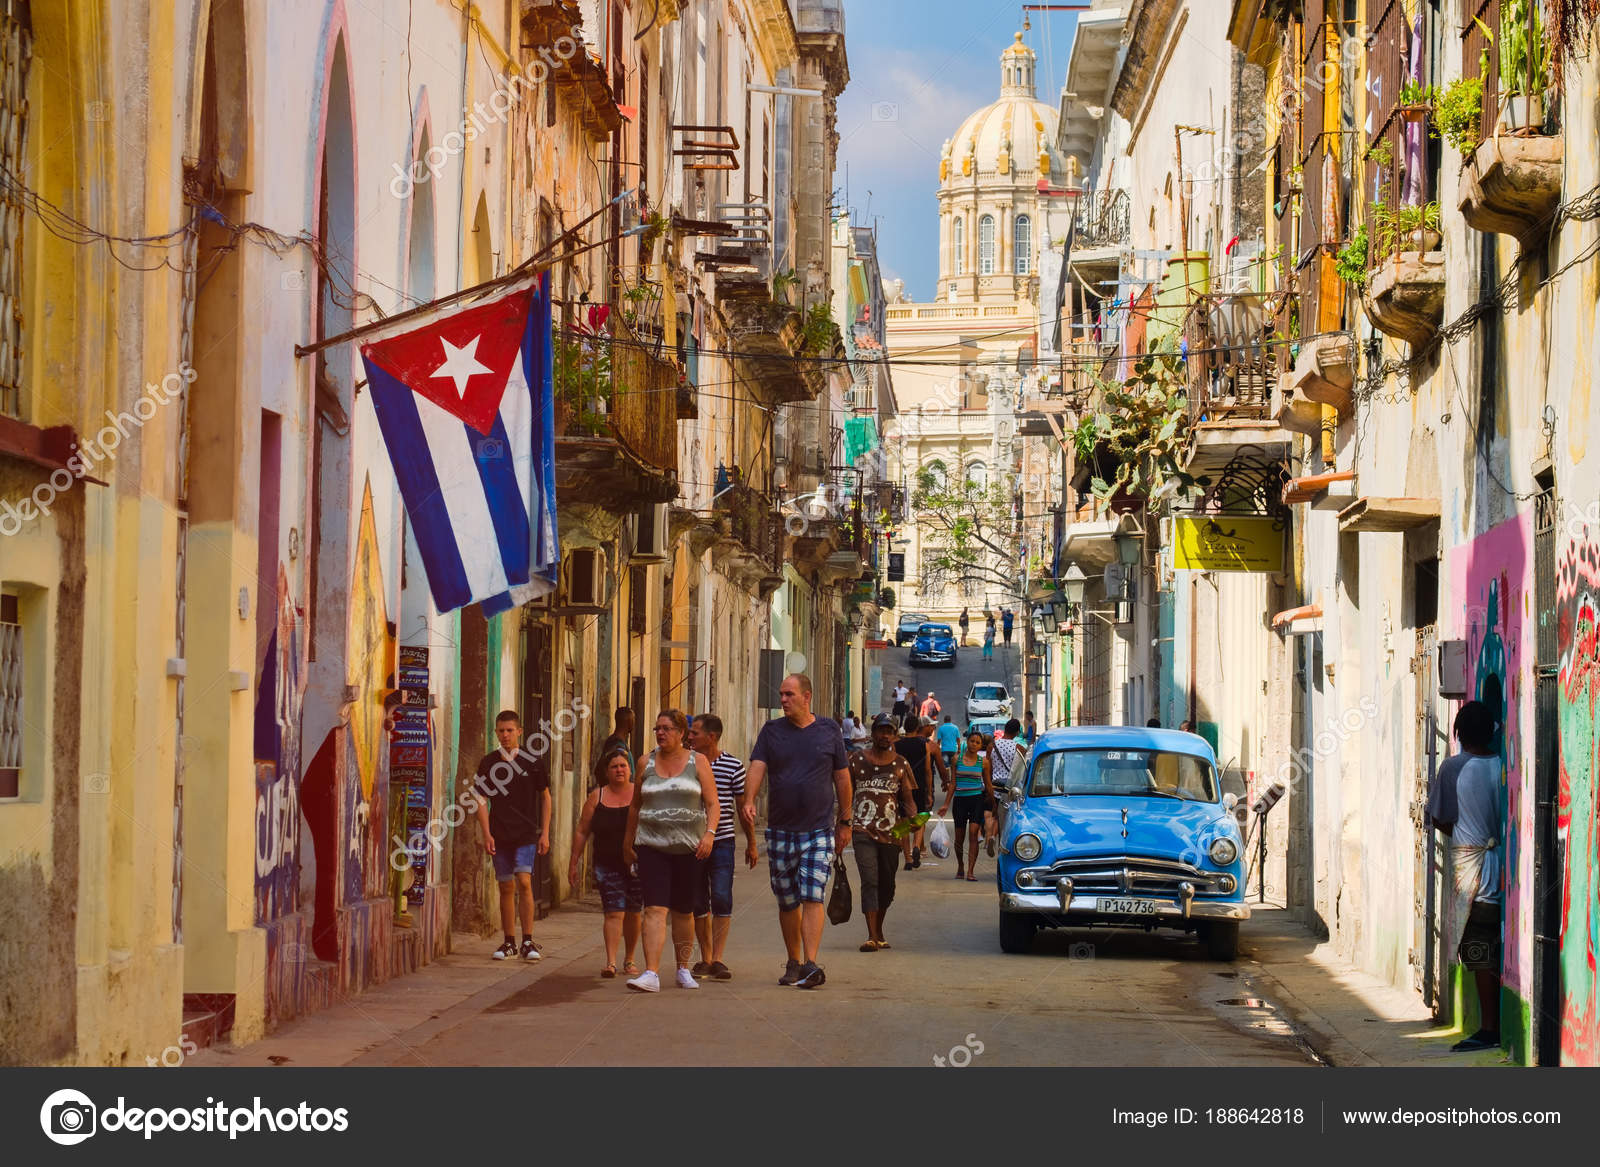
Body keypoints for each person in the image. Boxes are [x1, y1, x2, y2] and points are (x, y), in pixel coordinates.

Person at [743, 674, 851, 989]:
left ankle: (810, 962)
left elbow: (842, 778)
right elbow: (757, 767)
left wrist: (845, 822)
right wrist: (749, 799)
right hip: (780, 831)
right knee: (787, 900)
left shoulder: (829, 730)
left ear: (807, 696)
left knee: (812, 893)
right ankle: (794, 960)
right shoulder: (771, 731)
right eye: (781, 694)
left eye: (789, 694)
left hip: (818, 830)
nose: (783, 700)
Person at [622, 710, 719, 992]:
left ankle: (682, 969)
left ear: (680, 732)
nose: (660, 733)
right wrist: (627, 843)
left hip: (690, 848)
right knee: (654, 907)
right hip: (651, 845)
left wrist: (709, 835)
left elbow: (712, 804)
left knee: (684, 911)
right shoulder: (645, 762)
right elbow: (635, 806)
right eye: (657, 729)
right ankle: (651, 972)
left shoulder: (697, 762)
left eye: (666, 728)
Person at [1428, 701, 1504, 1052]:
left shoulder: (1454, 768)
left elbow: (1440, 818)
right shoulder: (1504, 765)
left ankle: (1489, 1028)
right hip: (1503, 866)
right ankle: (1490, 1025)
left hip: (1472, 874)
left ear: (1458, 733)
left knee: (1479, 950)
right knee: (1491, 945)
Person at [473, 710, 552, 961]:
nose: (505, 735)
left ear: (519, 732)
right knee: (505, 885)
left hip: (527, 833)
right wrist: (486, 833)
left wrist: (545, 833)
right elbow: (480, 799)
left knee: (524, 882)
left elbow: (546, 797)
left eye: (510, 730)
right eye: (501, 731)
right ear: (496, 732)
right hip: (500, 832)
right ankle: (509, 942)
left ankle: (528, 941)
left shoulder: (533, 762)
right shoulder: (488, 763)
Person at [687, 713, 759, 980]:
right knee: (697, 901)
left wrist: (751, 843)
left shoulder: (732, 766)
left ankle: (717, 957)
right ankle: (705, 957)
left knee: (721, 897)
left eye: (695, 733)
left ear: (712, 737)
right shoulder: (687, 764)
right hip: (693, 842)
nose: (690, 737)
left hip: (723, 841)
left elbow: (742, 807)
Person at [569, 748, 642, 978]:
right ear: (607, 772)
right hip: (606, 863)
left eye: (623, 766)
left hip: (636, 863)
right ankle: (610, 962)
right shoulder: (596, 796)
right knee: (613, 911)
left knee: (633, 911)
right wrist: (574, 862)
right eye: (614, 766)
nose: (619, 770)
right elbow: (582, 830)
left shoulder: (640, 795)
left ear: (630, 769)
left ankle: (629, 960)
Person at [850, 715, 919, 951]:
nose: (885, 735)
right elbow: (844, 792)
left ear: (894, 735)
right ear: (873, 733)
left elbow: (908, 799)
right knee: (870, 880)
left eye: (889, 731)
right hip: (862, 830)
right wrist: (841, 823)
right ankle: (871, 935)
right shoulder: (857, 760)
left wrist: (915, 819)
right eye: (881, 730)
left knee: (887, 885)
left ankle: (878, 929)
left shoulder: (901, 763)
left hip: (893, 831)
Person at [938, 727, 994, 881]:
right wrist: (945, 804)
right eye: (972, 741)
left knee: (973, 834)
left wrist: (993, 804)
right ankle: (961, 866)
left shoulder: (984, 763)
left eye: (977, 742)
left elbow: (988, 784)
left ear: (980, 745)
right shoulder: (957, 759)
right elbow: (953, 784)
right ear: (966, 742)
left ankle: (970, 870)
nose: (974, 744)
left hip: (976, 800)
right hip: (960, 801)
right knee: (959, 838)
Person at [895, 715, 943, 869]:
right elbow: (928, 770)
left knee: (903, 819)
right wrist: (929, 792)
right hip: (919, 785)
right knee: (920, 817)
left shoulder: (897, 745)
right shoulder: (925, 745)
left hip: (902, 786)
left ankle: (908, 858)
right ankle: (917, 845)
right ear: (917, 728)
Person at [985, 718, 1025, 853]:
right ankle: (1002, 847)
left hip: (995, 788)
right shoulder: (1019, 748)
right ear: (1017, 732)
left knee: (995, 815)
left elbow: (988, 768)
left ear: (1005, 729)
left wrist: (988, 785)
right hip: (1010, 790)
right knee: (1007, 820)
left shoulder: (992, 746)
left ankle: (991, 836)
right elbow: (1022, 770)